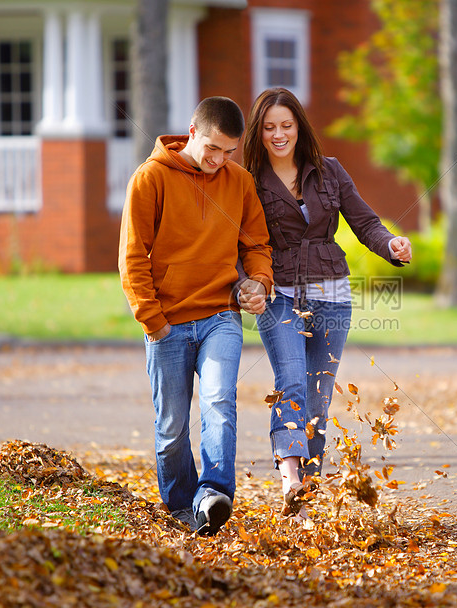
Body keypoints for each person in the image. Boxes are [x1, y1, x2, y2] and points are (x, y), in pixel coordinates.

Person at [241, 87, 412, 516]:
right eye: (269, 127)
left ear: (299, 126)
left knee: (318, 398)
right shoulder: (246, 180)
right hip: (278, 296)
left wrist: (391, 243)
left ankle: (308, 498)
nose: (279, 135)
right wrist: (247, 284)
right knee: (293, 383)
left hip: (333, 297)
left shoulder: (329, 171)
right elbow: (237, 242)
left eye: (286, 125)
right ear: (258, 132)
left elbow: (365, 222)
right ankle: (290, 479)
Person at [119, 97, 273, 535]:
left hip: (219, 315)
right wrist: (154, 321)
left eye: (228, 152)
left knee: (219, 401)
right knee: (171, 428)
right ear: (192, 131)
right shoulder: (150, 178)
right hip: (167, 323)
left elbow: (257, 246)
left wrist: (258, 282)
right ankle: (181, 507)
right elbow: (132, 257)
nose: (217, 160)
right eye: (211, 148)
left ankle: (213, 496)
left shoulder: (239, 182)